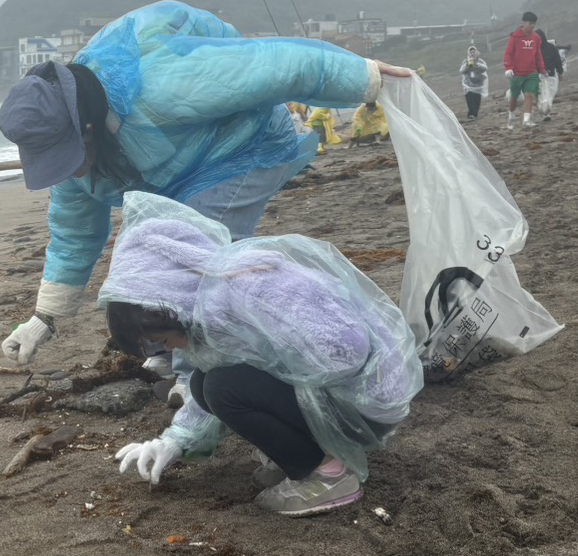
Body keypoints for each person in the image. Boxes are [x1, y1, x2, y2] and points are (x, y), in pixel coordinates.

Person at [0, 0, 412, 369]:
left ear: (86, 129)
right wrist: (44, 317)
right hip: (174, 172)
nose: (68, 171)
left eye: (66, 156)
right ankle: (167, 348)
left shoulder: (161, 84)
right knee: (144, 252)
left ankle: (201, 368)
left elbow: (279, 66)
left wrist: (365, 78)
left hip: (244, 146)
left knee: (198, 250)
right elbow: (74, 235)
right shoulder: (72, 157)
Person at [101, 192, 422, 516]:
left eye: (159, 341)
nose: (167, 350)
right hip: (341, 398)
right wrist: (174, 441)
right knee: (204, 383)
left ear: (168, 302)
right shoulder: (205, 305)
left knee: (225, 387)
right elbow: (220, 373)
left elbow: (348, 350)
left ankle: (327, 476)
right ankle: (306, 453)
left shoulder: (247, 288)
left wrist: (268, 364)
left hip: (365, 403)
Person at [502, 11, 546, 128]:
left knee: (529, 95)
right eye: (530, 23)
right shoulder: (515, 37)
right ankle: (511, 115)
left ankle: (526, 120)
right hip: (517, 73)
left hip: (531, 72)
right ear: (524, 23)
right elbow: (508, 54)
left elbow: (538, 55)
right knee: (514, 97)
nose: (532, 26)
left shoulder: (536, 38)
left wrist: (542, 70)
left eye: (534, 24)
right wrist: (508, 68)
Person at [535, 29, 565, 121]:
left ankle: (546, 111)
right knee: (541, 95)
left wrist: (560, 72)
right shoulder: (533, 49)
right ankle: (545, 113)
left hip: (551, 75)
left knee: (550, 95)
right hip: (537, 76)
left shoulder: (551, 48)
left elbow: (557, 61)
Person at [459, 46, 489, 119]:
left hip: (478, 84)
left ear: (476, 52)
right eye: (471, 52)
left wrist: (478, 66)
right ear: (468, 53)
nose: (472, 53)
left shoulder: (480, 61)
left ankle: (475, 113)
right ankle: (472, 114)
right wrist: (467, 65)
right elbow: (462, 70)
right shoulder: (465, 61)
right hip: (468, 85)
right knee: (470, 100)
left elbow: (485, 68)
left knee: (477, 100)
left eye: (473, 52)